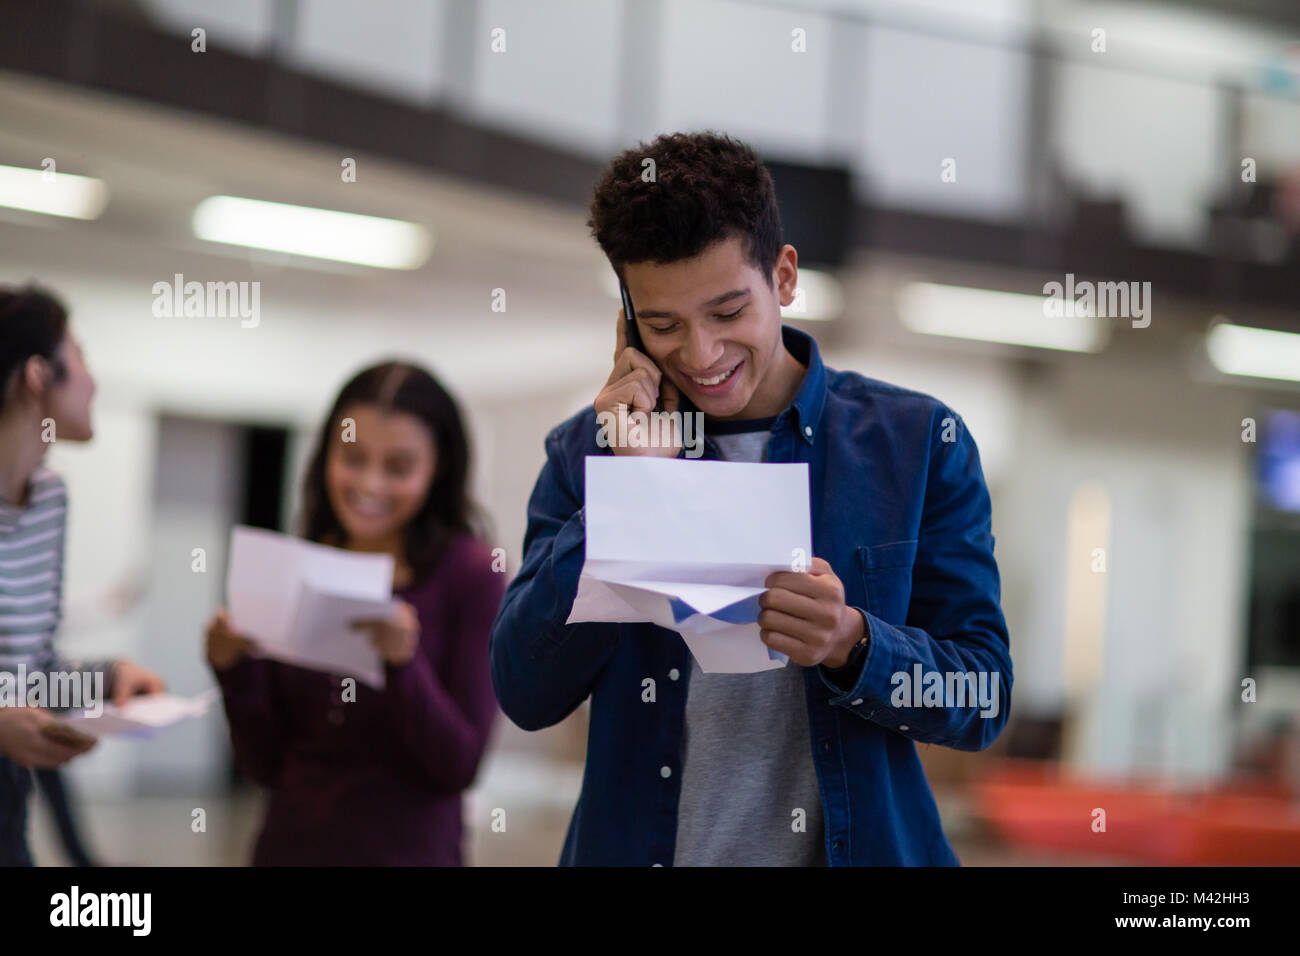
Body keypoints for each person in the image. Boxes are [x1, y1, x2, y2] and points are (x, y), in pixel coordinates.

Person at [490, 131, 1014, 866]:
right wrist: (631, 489)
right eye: (663, 325)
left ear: (785, 276)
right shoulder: (589, 451)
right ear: (627, 318)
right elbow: (524, 690)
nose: (701, 355)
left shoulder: (920, 445)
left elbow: (983, 694)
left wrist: (854, 644)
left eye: (728, 312)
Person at [205, 362, 503, 866]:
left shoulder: (470, 572)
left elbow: (458, 766)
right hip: (290, 848)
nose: (370, 484)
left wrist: (402, 666)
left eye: (399, 467)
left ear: (439, 469)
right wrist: (234, 671)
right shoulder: (302, 560)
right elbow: (264, 764)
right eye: (353, 458)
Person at [0, 284, 164, 867]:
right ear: (38, 377)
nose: (94, 379)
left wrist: (103, 680)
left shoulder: (48, 500)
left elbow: (27, 678)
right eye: (82, 356)